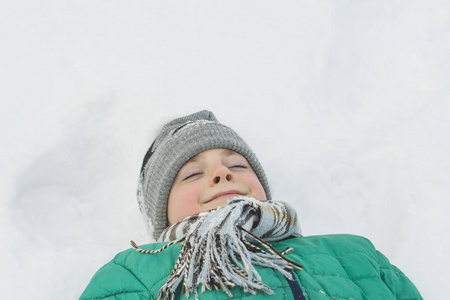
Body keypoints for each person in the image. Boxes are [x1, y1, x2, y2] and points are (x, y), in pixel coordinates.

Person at [80, 110, 422, 300]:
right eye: (193, 173)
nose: (222, 174)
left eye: (238, 165)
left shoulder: (355, 254)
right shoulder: (133, 273)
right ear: (162, 211)